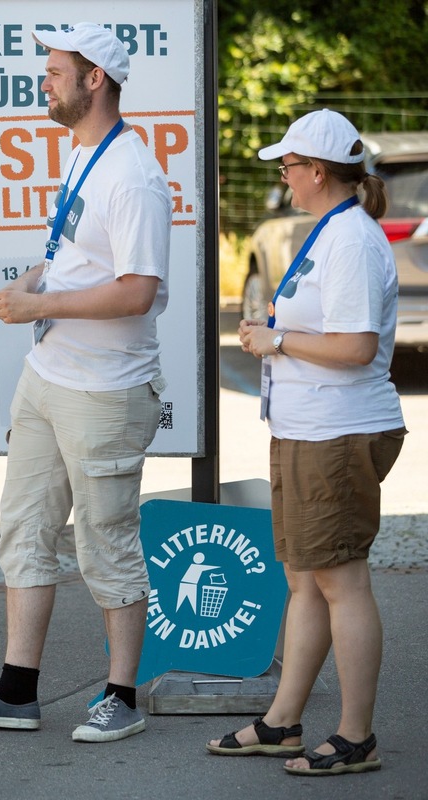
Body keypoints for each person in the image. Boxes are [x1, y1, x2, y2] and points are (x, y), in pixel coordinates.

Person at [0, 22, 171, 743]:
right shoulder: (84, 154)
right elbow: (77, 254)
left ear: (95, 79)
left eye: (57, 70)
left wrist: (40, 304)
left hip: (105, 391)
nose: (45, 80)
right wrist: (37, 279)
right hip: (48, 375)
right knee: (24, 532)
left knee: (107, 543)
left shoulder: (133, 175)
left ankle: (120, 697)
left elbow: (136, 291)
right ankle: (16, 692)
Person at [207, 108, 405, 775]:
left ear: (317, 171)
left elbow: (355, 347)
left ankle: (356, 738)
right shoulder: (333, 230)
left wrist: (279, 339)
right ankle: (282, 723)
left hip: (338, 430)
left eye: (289, 167)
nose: (284, 178)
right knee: (305, 579)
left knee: (340, 580)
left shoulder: (350, 239)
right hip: (309, 427)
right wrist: (273, 328)